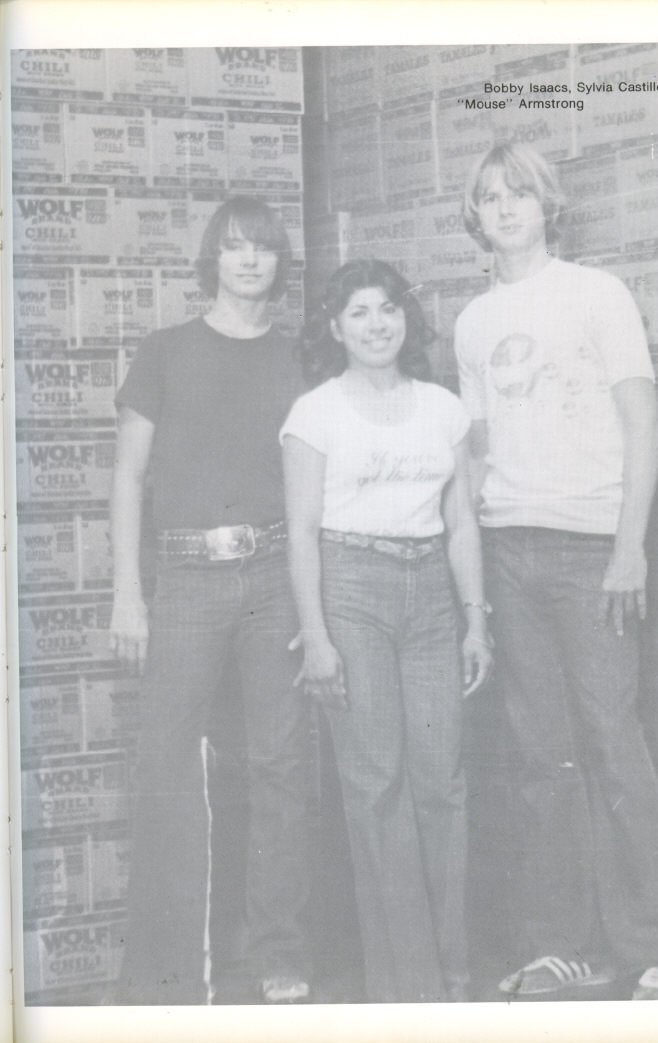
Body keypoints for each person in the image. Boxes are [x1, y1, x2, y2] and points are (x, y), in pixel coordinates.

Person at [455, 143, 658, 1001]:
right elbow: (477, 451)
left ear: (547, 206)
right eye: (491, 197)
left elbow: (644, 422)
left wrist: (630, 546)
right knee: (540, 755)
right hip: (508, 547)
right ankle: (562, 945)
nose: (506, 208)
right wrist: (472, 576)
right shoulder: (474, 321)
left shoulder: (597, 294)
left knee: (611, 739)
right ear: (476, 216)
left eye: (519, 194)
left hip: (592, 544)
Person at [110, 196, 312, 1005]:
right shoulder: (165, 350)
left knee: (280, 763)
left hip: (275, 576)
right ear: (212, 260)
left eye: (262, 247)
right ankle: (162, 968)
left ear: (279, 261)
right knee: (166, 762)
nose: (249, 261)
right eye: (233, 248)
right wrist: (129, 593)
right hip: (186, 575)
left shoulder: (300, 356)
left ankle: (278, 953)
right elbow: (128, 477)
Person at [281, 259, 493, 1002]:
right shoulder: (315, 413)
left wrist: (476, 621)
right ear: (335, 329)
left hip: (431, 592)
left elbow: (461, 524)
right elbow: (302, 532)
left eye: (389, 309)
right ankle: (409, 986)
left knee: (443, 781)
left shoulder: (442, 408)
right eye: (359, 312)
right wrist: (316, 635)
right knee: (376, 785)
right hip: (352, 587)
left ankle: (453, 973)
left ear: (408, 318)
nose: (377, 324)